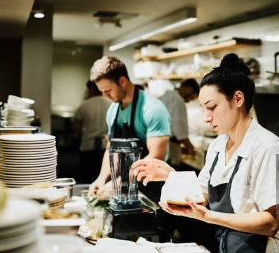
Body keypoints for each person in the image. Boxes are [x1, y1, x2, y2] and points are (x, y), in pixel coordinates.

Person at [131, 54, 279, 253]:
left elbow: (270, 222)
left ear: (238, 99)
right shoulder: (219, 145)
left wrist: (207, 216)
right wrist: (170, 175)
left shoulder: (266, 146)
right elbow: (203, 193)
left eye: (211, 107)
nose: (206, 117)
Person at [88, 56, 171, 199]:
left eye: (108, 90)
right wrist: (102, 178)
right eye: (102, 91)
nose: (105, 96)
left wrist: (122, 181)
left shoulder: (153, 109)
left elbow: (156, 156)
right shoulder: (113, 111)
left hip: (152, 185)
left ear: (122, 81)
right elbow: (111, 148)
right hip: (126, 181)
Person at [73, 81, 111, 183]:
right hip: (106, 146)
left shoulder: (84, 105)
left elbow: (76, 127)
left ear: (91, 89)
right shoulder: (111, 103)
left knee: (87, 178)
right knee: (104, 178)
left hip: (88, 146)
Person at [158, 79, 199, 165]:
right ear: (188, 89)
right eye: (191, 97)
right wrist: (191, 149)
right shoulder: (178, 101)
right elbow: (180, 131)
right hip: (167, 149)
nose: (188, 101)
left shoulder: (167, 96)